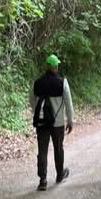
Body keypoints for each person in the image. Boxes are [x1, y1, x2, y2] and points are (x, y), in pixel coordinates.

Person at [31, 54, 74, 191]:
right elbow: (68, 103)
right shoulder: (62, 83)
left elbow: (32, 101)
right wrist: (70, 120)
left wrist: (37, 113)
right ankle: (60, 175)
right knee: (58, 148)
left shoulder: (37, 83)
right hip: (57, 122)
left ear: (46, 67)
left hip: (42, 122)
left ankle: (42, 180)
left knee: (42, 151)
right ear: (55, 67)